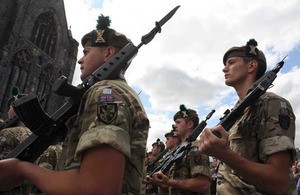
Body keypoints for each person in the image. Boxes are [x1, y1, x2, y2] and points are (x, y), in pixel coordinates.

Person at [0, 14, 149, 194]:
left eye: (86, 52)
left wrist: (22, 170)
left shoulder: (106, 92)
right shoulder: (116, 92)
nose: (80, 60)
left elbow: (98, 188)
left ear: (108, 53)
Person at [198, 39, 297, 195]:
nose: (224, 69)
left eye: (231, 63)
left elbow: (279, 183)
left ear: (251, 66)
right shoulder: (237, 112)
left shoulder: (271, 103)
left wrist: (223, 153)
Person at [149, 105, 211, 194]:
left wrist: (169, 182)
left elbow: (203, 184)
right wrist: (160, 182)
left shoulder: (196, 148)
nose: (174, 126)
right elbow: (173, 187)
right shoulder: (180, 150)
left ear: (189, 124)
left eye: (178, 122)